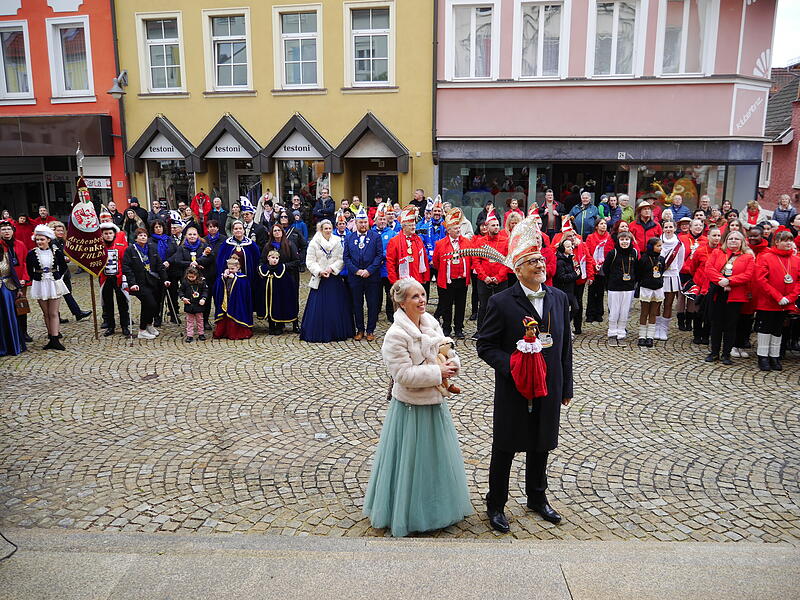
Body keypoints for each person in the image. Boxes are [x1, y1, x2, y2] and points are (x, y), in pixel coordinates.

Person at [477, 215, 573, 533]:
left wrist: (566, 386)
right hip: (514, 387)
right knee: (505, 445)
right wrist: (512, 367)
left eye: (541, 260)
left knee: (541, 443)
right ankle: (496, 504)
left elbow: (564, 347)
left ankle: (537, 497)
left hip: (549, 385)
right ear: (518, 269)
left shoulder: (558, 299)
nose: (539, 265)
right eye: (532, 261)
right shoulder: (501, 302)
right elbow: (486, 346)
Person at [363, 278, 472, 537]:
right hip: (410, 407)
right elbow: (403, 375)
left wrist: (453, 364)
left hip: (435, 403)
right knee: (410, 463)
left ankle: (438, 508)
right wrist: (438, 371)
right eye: (415, 297)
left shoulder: (431, 322)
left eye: (423, 294)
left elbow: (447, 348)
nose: (422, 300)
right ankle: (407, 512)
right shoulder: (395, 335)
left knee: (436, 460)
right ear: (401, 303)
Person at [300, 220, 355, 343]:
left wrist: (332, 268)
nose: (328, 231)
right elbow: (310, 261)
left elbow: (341, 259)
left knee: (336, 305)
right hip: (320, 278)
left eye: (330, 228)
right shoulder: (314, 243)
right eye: (326, 228)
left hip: (333, 277)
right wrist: (319, 271)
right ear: (321, 229)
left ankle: (337, 331)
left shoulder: (337, 241)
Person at [704, 231, 754, 365]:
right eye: (730, 238)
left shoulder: (747, 257)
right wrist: (720, 280)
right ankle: (714, 352)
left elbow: (748, 275)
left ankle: (726, 354)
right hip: (717, 292)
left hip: (735, 295)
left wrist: (730, 281)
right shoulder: (717, 253)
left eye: (737, 239)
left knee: (730, 325)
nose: (733, 241)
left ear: (742, 242)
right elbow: (709, 268)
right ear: (726, 240)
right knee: (716, 324)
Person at [754, 231, 799, 371]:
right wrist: (778, 297)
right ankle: (763, 356)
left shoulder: (796, 259)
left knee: (778, 330)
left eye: (790, 240)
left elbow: (798, 281)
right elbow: (761, 280)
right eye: (785, 240)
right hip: (768, 301)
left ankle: (774, 356)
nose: (788, 243)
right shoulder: (766, 257)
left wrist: (790, 298)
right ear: (777, 242)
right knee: (765, 328)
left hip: (786, 303)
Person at [343, 207, 384, 342]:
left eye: (365, 222)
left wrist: (369, 270)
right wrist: (357, 271)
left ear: (369, 222)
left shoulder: (375, 237)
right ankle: (359, 329)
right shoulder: (349, 237)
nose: (363, 225)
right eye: (360, 222)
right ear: (356, 223)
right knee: (357, 304)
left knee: (372, 304)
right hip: (355, 277)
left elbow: (379, 256)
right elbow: (346, 257)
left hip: (372, 277)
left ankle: (370, 330)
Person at [27, 225, 69, 350]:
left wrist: (57, 277)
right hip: (40, 283)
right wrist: (36, 277)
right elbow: (29, 270)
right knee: (46, 313)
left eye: (42, 239)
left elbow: (63, 267)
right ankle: (51, 335)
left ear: (48, 240)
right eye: (38, 239)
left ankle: (56, 338)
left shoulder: (56, 252)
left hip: (53, 283)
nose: (39, 242)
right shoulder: (32, 254)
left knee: (53, 312)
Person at [123, 228, 169, 340]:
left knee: (152, 305)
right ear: (135, 238)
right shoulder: (130, 250)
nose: (143, 237)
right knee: (150, 304)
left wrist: (165, 279)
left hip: (153, 280)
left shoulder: (152, 248)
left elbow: (159, 265)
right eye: (140, 235)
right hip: (139, 283)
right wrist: (132, 283)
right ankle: (142, 330)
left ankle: (149, 325)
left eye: (144, 235)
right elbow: (126, 267)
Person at [432, 208, 471, 340]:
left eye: (459, 228)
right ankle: (446, 328)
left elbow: (470, 259)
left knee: (461, 305)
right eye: (455, 228)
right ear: (448, 230)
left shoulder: (466, 242)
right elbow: (436, 263)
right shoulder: (440, 244)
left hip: (462, 279)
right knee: (446, 305)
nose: (458, 230)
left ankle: (459, 328)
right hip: (447, 280)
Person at [216, 220, 263, 323]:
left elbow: (257, 261)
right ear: (232, 231)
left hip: (246, 280)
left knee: (244, 299)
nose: (238, 231)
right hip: (230, 280)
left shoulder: (251, 245)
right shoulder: (226, 244)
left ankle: (245, 321)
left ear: (244, 230)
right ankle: (231, 322)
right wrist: (225, 272)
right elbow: (220, 261)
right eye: (236, 229)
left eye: (240, 228)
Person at [47, 221, 92, 324]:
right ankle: (63, 315)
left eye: (62, 230)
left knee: (67, 292)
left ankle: (76, 313)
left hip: (64, 271)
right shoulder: (52, 243)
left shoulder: (62, 241)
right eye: (57, 230)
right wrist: (63, 258)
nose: (60, 232)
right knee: (57, 295)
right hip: (57, 272)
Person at [263, 222, 301, 332]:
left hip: (289, 276)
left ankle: (295, 323)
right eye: (274, 230)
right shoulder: (268, 246)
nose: (277, 232)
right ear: (271, 233)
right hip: (274, 279)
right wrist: (267, 267)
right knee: (276, 300)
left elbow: (296, 261)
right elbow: (262, 261)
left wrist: (283, 266)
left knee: (292, 299)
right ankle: (278, 323)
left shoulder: (289, 244)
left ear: (282, 232)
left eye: (279, 230)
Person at [604, 232, 638, 345]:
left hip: (628, 287)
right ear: (618, 241)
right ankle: (612, 333)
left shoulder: (634, 252)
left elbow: (636, 268)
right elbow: (606, 269)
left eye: (627, 239)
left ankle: (621, 332)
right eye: (622, 239)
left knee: (625, 311)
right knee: (614, 311)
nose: (624, 242)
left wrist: (633, 280)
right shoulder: (612, 253)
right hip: (614, 287)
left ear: (630, 241)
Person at [689, 226, 722, 345]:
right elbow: (693, 268)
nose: (716, 238)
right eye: (714, 235)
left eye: (718, 236)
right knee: (698, 310)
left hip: (713, 286)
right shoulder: (700, 251)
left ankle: (706, 335)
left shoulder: (722, 252)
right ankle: (697, 334)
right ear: (708, 237)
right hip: (700, 283)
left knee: (710, 311)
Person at [0, 220, 31, 342]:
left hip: (20, 280)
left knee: (21, 305)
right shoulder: (0, 246)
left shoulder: (20, 244)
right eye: (3, 230)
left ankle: (23, 332)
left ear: (13, 231)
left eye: (8, 229)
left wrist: (24, 278)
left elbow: (24, 262)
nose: (6, 232)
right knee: (7, 308)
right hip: (6, 280)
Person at [654, 220, 685, 341]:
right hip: (659, 276)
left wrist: (673, 271)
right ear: (662, 228)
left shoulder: (679, 244)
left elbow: (680, 262)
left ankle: (664, 329)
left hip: (672, 276)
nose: (668, 229)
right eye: (666, 227)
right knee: (657, 302)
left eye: (670, 227)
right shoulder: (657, 242)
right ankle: (656, 327)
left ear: (675, 228)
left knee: (668, 304)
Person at [385, 207, 430, 289]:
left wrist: (425, 277)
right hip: (401, 281)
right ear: (403, 227)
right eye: (410, 225)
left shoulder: (418, 239)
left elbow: (424, 259)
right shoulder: (394, 241)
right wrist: (394, 282)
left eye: (414, 225)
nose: (413, 227)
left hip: (417, 279)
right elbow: (390, 264)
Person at [99, 223, 131, 337]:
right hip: (105, 278)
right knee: (108, 304)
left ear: (114, 234)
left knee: (122, 303)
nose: (108, 236)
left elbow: (126, 261)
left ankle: (124, 326)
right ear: (102, 235)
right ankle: (111, 326)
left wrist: (125, 276)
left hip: (118, 277)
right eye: (105, 234)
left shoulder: (121, 246)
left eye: (110, 233)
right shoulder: (98, 247)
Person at [258, 249, 298, 335]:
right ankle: (271, 326)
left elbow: (287, 285)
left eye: (277, 258)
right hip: (267, 295)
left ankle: (279, 326)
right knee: (268, 309)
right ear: (268, 258)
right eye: (272, 257)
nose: (275, 260)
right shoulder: (263, 268)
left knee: (279, 308)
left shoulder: (282, 269)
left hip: (278, 295)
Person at [213, 256, 253, 340]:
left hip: (237, 301)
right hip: (226, 299)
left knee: (235, 314)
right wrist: (223, 277)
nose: (230, 270)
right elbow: (218, 286)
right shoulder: (224, 275)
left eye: (233, 268)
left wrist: (235, 278)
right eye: (229, 268)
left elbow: (244, 289)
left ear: (238, 268)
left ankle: (235, 332)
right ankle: (224, 331)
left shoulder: (242, 278)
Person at [636, 237, 666, 347]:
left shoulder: (661, 259)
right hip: (646, 288)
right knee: (644, 312)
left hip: (657, 288)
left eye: (661, 246)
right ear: (651, 246)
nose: (660, 248)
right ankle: (642, 335)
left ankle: (650, 336)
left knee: (653, 313)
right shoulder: (644, 259)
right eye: (658, 246)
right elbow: (639, 273)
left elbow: (662, 271)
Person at [0, 229, 25, 356]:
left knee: (9, 317)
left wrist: (19, 288)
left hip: (7, 290)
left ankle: (12, 345)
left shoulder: (5, 255)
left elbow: (13, 272)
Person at [372, 204, 398, 323]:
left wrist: (381, 255)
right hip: (375, 269)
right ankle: (375, 313)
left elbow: (393, 249)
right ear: (376, 220)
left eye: (384, 219)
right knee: (376, 294)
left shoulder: (392, 233)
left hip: (387, 269)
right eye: (380, 219)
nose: (382, 221)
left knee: (389, 294)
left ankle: (390, 313)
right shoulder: (370, 233)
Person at [584, 219, 613, 323]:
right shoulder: (590, 237)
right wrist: (593, 263)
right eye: (601, 224)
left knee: (601, 292)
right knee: (592, 292)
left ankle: (599, 313)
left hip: (604, 267)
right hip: (593, 266)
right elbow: (587, 252)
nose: (603, 226)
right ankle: (590, 314)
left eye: (605, 224)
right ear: (596, 226)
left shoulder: (609, 237)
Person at [178, 266, 209, 342]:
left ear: (197, 275)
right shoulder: (185, 282)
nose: (191, 278)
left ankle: (201, 334)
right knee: (189, 321)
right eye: (189, 277)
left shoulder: (201, 282)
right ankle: (189, 335)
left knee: (200, 320)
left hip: (199, 304)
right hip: (189, 304)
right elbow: (180, 291)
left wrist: (203, 298)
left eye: (193, 277)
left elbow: (205, 291)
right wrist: (183, 298)